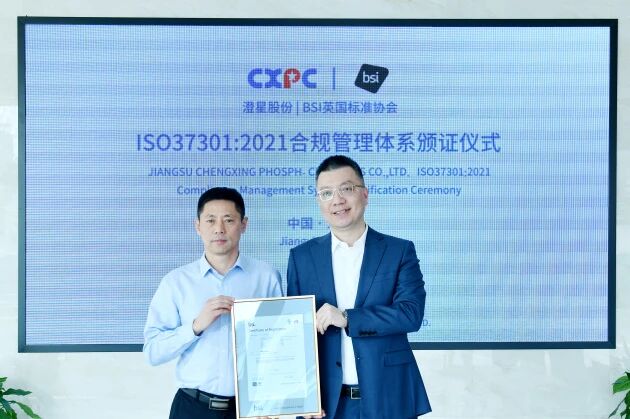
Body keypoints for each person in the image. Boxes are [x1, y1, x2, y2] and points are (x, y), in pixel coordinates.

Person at [287, 155, 431, 419]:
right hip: (328, 406)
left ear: (365, 194)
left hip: (388, 397)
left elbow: (411, 313)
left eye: (346, 189)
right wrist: (301, 398)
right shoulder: (302, 257)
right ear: (319, 202)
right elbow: (296, 335)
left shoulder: (398, 251)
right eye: (326, 193)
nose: (337, 200)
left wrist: (347, 318)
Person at [144, 187, 282, 419]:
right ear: (198, 226)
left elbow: (281, 343)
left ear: (244, 225)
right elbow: (153, 352)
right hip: (192, 408)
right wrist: (195, 326)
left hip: (251, 409)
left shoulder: (266, 276)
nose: (219, 229)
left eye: (229, 220)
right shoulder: (176, 282)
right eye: (210, 220)